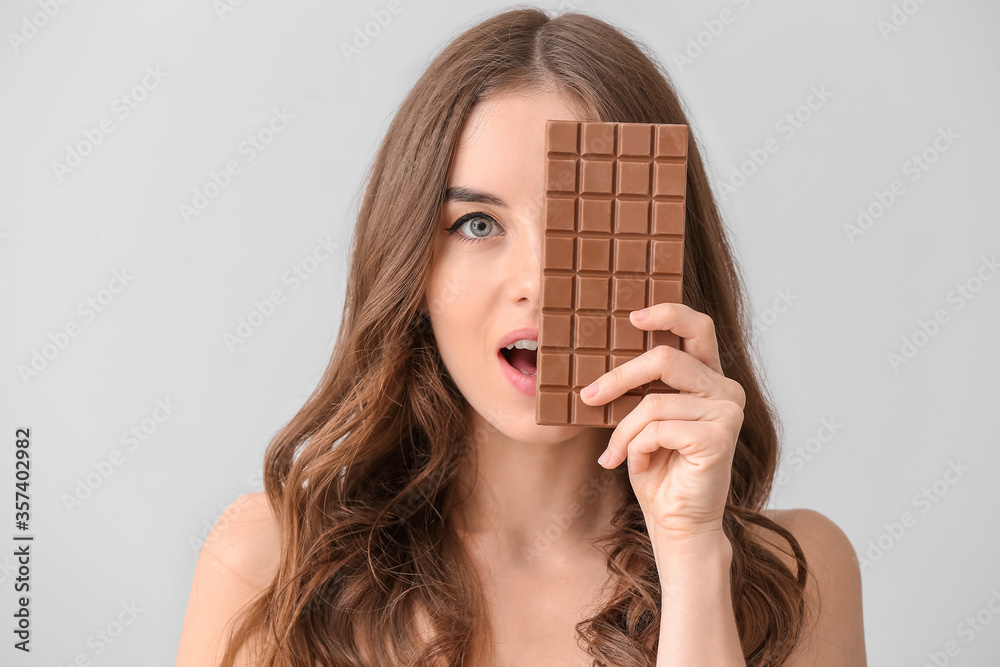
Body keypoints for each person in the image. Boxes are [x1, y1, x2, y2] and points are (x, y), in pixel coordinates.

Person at [176, 7, 866, 666]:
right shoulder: (270, 563)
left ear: (665, 254)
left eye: (585, 222)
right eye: (478, 225)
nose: (538, 280)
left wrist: (692, 556)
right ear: (413, 270)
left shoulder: (796, 574)